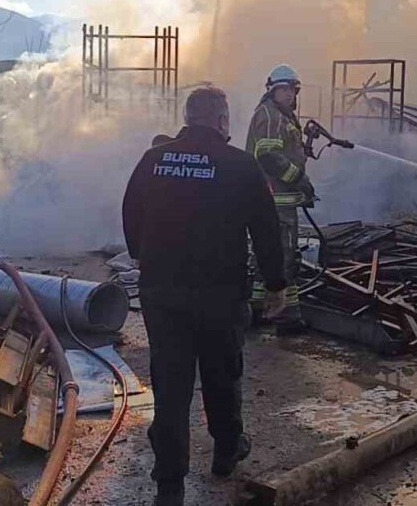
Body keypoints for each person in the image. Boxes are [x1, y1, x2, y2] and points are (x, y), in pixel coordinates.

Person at [122, 86, 287, 506]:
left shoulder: (154, 160)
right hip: (220, 296)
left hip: (163, 295)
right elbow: (266, 230)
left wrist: (142, 254)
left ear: (187, 117)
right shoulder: (240, 165)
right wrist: (275, 284)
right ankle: (227, 452)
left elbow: (130, 213)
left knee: (170, 386)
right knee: (222, 375)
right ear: (221, 121)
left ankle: (170, 486)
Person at [245, 64, 314, 335]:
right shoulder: (270, 115)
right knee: (283, 257)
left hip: (280, 201)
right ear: (272, 90)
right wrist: (299, 179)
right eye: (284, 89)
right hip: (275, 202)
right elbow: (268, 156)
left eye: (293, 90)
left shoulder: (283, 117)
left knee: (270, 256)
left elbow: (284, 152)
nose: (290, 94)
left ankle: (258, 309)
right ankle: (286, 318)